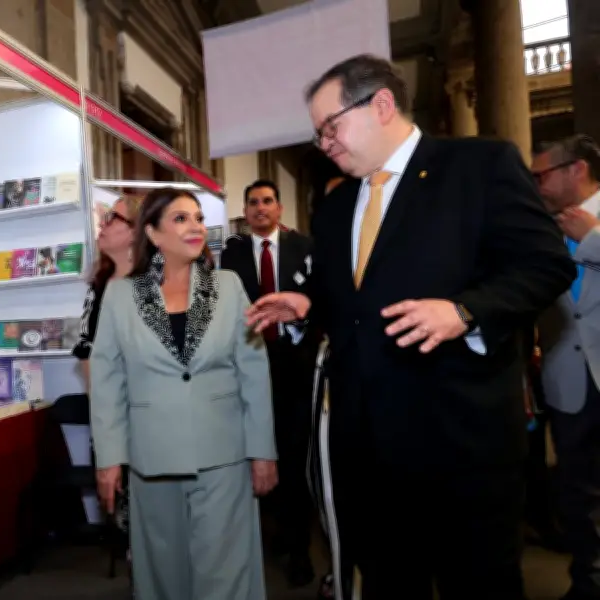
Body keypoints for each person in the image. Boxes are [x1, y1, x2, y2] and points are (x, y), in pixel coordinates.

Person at [247, 54, 575, 600]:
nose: (324, 143)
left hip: (459, 441)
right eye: (318, 133)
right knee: (389, 583)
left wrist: (464, 312)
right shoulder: (335, 207)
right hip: (368, 450)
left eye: (331, 126)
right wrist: (308, 304)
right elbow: (349, 297)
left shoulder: (478, 166)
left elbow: (545, 265)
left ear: (381, 104)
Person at [90, 187, 277, 600]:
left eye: (198, 218)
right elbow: (106, 381)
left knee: (225, 574)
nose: (195, 226)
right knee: (163, 574)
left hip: (224, 455)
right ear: (153, 233)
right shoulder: (121, 295)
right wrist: (109, 458)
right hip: (151, 457)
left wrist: (263, 451)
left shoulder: (227, 286)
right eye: (180, 218)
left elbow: (254, 373)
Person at [220, 179, 316, 587]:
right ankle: (275, 532)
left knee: (294, 458)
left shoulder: (305, 248)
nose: (260, 208)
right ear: (245, 211)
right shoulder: (232, 254)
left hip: (295, 367)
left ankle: (300, 549)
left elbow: (322, 300)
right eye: (253, 202)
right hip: (249, 366)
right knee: (260, 451)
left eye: (267, 201)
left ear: (279, 208)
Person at [533, 134, 600, 600]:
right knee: (578, 494)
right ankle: (588, 584)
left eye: (542, 175)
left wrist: (591, 239)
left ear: (576, 169)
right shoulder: (540, 227)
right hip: (566, 379)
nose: (537, 185)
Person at [73, 195, 141, 565]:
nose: (102, 223)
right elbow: (86, 353)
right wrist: (102, 413)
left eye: (112, 217)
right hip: (110, 419)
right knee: (122, 515)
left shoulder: (156, 286)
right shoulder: (98, 286)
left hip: (150, 418)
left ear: (136, 231)